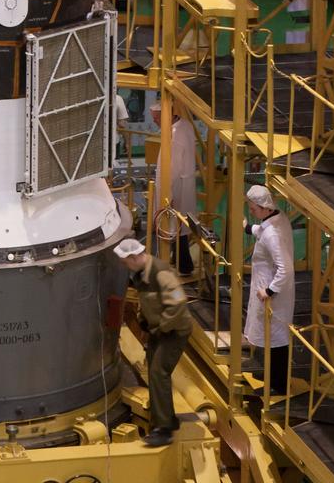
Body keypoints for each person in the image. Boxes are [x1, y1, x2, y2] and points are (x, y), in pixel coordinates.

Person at [115, 237, 193, 447]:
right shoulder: (141, 274)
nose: (125, 266)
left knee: (159, 372)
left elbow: (177, 304)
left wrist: (160, 328)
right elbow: (146, 301)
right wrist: (144, 321)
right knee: (154, 371)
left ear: (133, 257)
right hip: (160, 331)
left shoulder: (160, 272)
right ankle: (167, 419)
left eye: (125, 262)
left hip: (174, 331)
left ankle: (164, 429)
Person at [243, 185, 295, 396]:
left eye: (253, 209)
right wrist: (248, 228)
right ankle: (272, 377)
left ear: (264, 208)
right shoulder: (277, 217)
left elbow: (286, 267)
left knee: (276, 339)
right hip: (269, 288)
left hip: (272, 293)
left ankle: (278, 385)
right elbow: (262, 229)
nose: (251, 211)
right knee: (272, 337)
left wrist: (270, 291)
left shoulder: (273, 233)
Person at [151, 100, 197, 274]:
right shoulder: (184, 125)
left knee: (175, 225)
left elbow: (172, 168)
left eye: (156, 119)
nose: (155, 122)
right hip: (183, 182)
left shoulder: (175, 135)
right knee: (180, 225)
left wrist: (165, 194)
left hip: (177, 184)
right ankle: (179, 261)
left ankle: (183, 265)